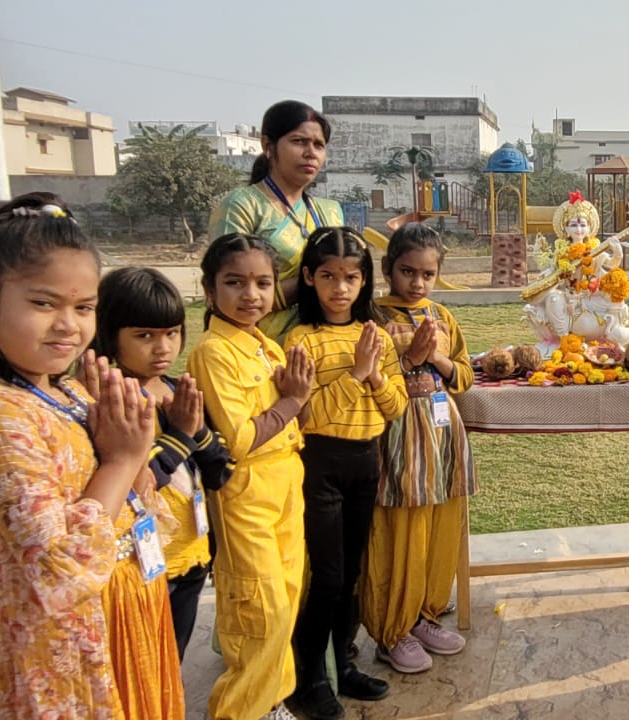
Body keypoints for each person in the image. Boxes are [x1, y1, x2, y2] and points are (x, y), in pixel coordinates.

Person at [0, 194, 157, 719]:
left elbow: (132, 500)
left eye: (84, 308)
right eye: (43, 303)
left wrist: (133, 456)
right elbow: (56, 571)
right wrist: (121, 462)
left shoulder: (62, 391)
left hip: (89, 636)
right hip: (36, 663)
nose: (68, 325)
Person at [189, 233, 315, 720]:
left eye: (263, 283)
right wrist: (291, 401)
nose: (251, 295)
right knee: (257, 610)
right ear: (209, 289)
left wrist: (297, 400)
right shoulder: (213, 352)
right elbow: (239, 439)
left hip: (286, 481)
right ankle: (238, 712)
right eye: (235, 283)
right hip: (246, 490)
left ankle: (271, 702)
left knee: (286, 600)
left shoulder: (268, 348)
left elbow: (298, 421)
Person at [282, 228, 407, 718]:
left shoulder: (374, 336)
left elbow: (396, 407)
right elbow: (307, 417)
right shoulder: (302, 340)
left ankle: (344, 664)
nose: (340, 288)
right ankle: (309, 677)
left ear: (364, 280)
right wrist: (356, 374)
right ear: (308, 278)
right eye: (329, 276)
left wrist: (373, 372)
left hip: (365, 460)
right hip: (321, 464)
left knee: (351, 572)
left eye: (351, 277)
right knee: (328, 576)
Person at [95, 267, 233, 661]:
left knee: (175, 660)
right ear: (109, 334)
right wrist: (180, 435)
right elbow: (136, 484)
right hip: (144, 566)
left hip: (192, 552)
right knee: (145, 665)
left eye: (172, 334)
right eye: (145, 336)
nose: (162, 348)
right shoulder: (112, 403)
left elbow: (220, 469)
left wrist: (196, 430)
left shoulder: (177, 391)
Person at [363, 222, 475, 674]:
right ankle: (394, 629)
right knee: (403, 528)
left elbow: (464, 376)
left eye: (428, 274)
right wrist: (410, 359)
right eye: (408, 272)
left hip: (442, 431)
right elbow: (370, 374)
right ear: (388, 269)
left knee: (441, 523)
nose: (417, 283)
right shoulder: (372, 315)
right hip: (398, 432)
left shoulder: (442, 316)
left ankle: (426, 612)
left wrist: (437, 358)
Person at [209, 100, 346, 341]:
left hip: (326, 346)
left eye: (319, 145)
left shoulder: (330, 212)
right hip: (258, 349)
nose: (311, 153)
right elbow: (227, 294)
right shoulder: (243, 205)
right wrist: (313, 282)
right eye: (299, 141)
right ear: (267, 145)